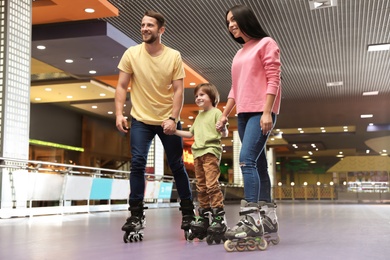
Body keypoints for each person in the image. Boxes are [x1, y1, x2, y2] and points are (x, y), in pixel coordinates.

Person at [115, 10, 194, 241]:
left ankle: (188, 212)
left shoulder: (173, 56)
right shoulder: (131, 53)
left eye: (150, 25)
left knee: (177, 164)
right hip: (141, 119)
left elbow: (179, 90)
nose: (144, 28)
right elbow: (121, 86)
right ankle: (136, 214)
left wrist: (173, 117)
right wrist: (119, 114)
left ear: (161, 30)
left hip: (167, 119)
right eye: (142, 25)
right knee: (138, 163)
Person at [216, 5, 281, 250]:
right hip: (243, 113)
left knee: (246, 160)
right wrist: (224, 114)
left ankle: (251, 219)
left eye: (234, 20)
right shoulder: (240, 52)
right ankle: (268, 218)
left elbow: (274, 77)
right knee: (259, 163)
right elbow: (235, 88)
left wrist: (267, 111)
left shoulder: (266, 43)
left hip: (260, 112)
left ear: (246, 20)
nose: (231, 24)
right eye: (228, 22)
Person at [171, 83, 228, 243]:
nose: (198, 98)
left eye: (202, 95)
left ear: (212, 97)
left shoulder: (217, 113)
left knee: (211, 185)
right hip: (197, 153)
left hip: (210, 151)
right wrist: (174, 131)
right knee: (201, 186)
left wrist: (222, 128)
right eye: (196, 96)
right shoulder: (199, 116)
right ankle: (203, 216)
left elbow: (225, 131)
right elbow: (190, 133)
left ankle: (218, 217)